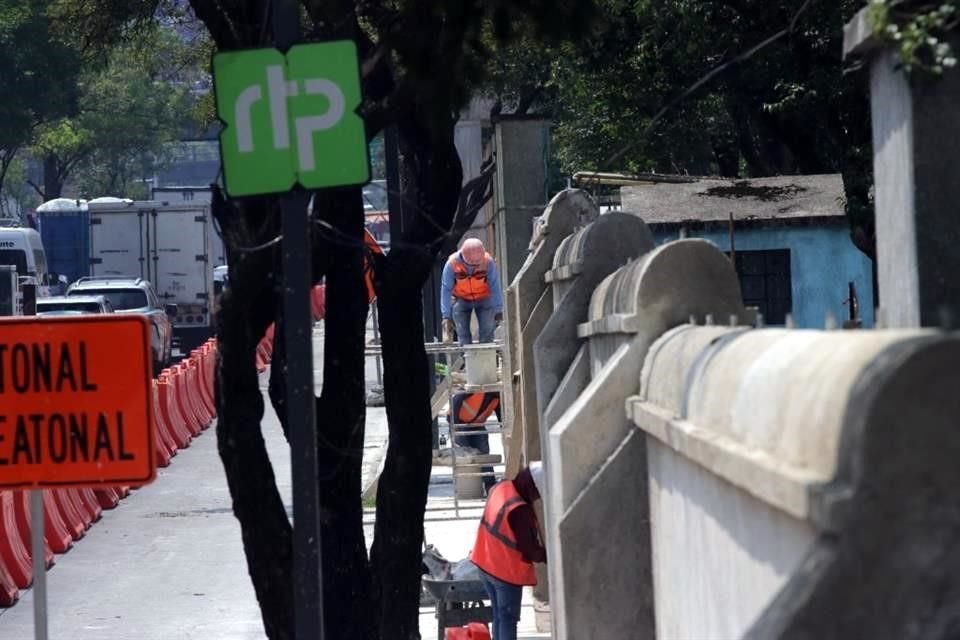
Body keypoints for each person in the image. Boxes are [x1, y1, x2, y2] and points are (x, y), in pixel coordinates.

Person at [470, 463, 546, 640]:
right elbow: (530, 551)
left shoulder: (501, 487)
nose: (536, 498)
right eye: (536, 494)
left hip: (485, 564)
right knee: (507, 619)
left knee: (499, 616)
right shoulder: (519, 509)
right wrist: (551, 556)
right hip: (504, 573)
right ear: (531, 487)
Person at [440, 238, 504, 345]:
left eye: (477, 264)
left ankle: (486, 360)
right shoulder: (452, 264)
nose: (475, 266)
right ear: (464, 257)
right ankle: (467, 360)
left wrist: (498, 310)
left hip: (484, 298)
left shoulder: (488, 262)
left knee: (487, 333)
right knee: (463, 335)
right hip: (461, 299)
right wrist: (446, 316)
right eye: (472, 264)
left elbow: (494, 285)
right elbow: (446, 289)